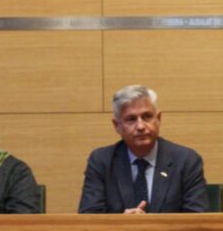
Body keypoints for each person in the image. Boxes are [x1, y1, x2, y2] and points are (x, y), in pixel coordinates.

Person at [78, 85, 208, 213]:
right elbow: (89, 217)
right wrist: (121, 223)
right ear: (117, 126)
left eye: (147, 117)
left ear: (158, 119)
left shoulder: (186, 161)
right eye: (131, 119)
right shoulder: (102, 161)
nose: (140, 126)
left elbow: (198, 218)